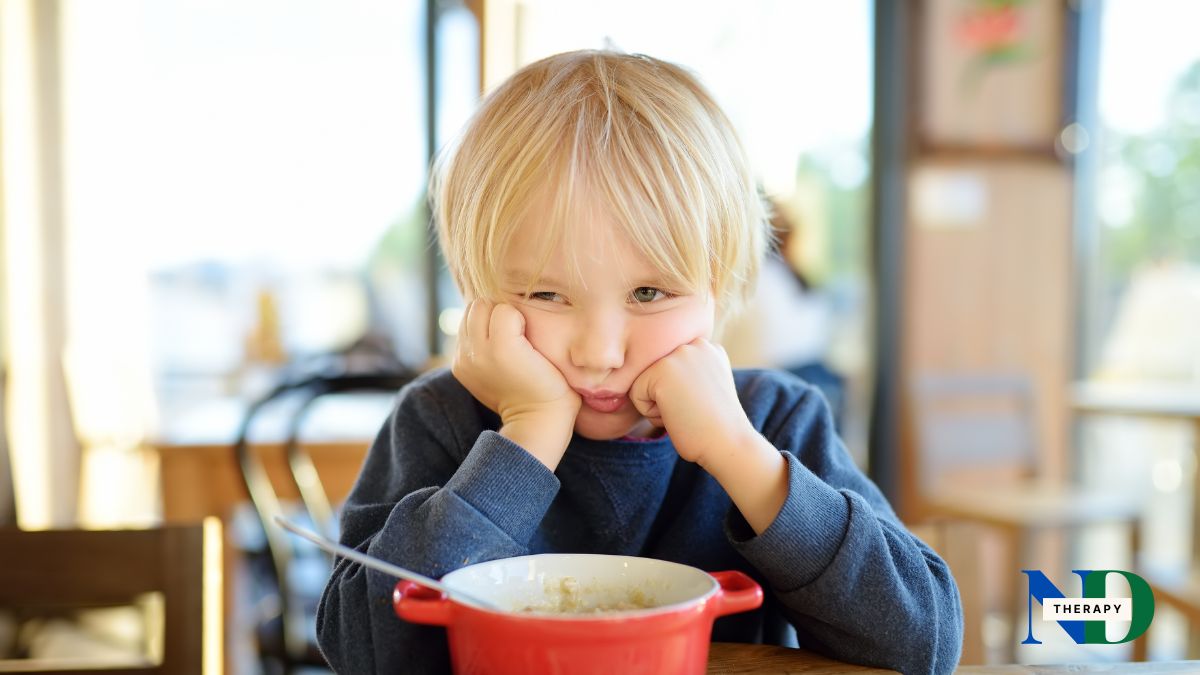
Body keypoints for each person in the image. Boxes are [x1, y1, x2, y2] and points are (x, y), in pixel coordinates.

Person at [316, 49, 962, 674]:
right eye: (546, 294)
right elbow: (363, 653)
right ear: (476, 290)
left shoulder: (773, 420)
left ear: (718, 287)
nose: (599, 353)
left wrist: (740, 454)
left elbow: (923, 645)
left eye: (649, 293)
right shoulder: (440, 419)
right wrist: (529, 434)